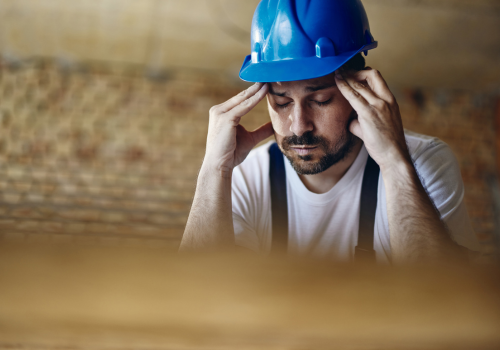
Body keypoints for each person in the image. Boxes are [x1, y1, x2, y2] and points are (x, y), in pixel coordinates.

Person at [179, 0, 480, 263]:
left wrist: (395, 164)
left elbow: (441, 298)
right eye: (281, 103)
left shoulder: (425, 164)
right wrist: (213, 170)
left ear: (360, 90)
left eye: (320, 100)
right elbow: (195, 299)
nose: (299, 126)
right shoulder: (244, 177)